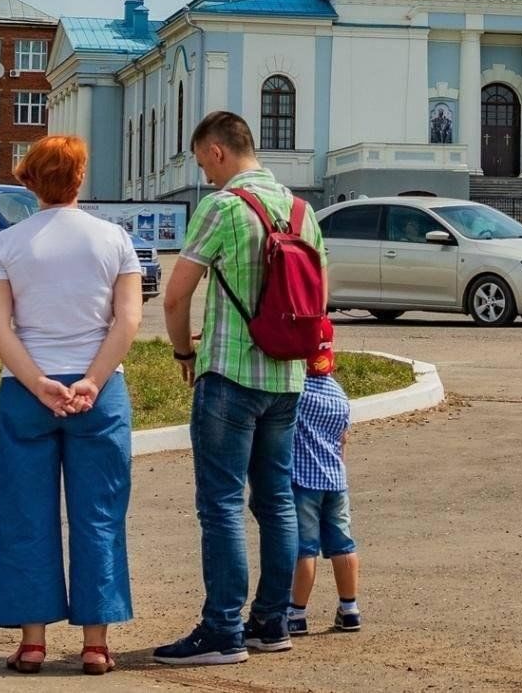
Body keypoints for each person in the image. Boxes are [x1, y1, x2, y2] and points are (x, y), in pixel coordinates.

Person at [155, 112, 327, 667]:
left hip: (229, 375)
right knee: (275, 500)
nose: (204, 173)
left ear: (217, 151)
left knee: (222, 503)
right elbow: (317, 298)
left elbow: (176, 297)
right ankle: (272, 622)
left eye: (203, 161)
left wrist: (184, 351)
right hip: (288, 376)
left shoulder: (223, 206)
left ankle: (222, 629)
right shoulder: (305, 212)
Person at [0, 135, 143, 676]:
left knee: (26, 513)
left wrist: (36, 381)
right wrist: (93, 381)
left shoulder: (7, 244)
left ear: (30, 180)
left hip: (29, 392)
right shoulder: (114, 239)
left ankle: (32, 641)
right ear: (79, 179)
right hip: (99, 393)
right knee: (99, 513)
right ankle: (96, 642)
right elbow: (128, 321)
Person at [286, 360, 360, 637]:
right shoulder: (339, 394)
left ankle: (296, 612)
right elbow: (343, 439)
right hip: (336, 480)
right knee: (343, 544)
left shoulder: (298, 393)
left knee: (305, 548)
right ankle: (349, 608)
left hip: (304, 481)